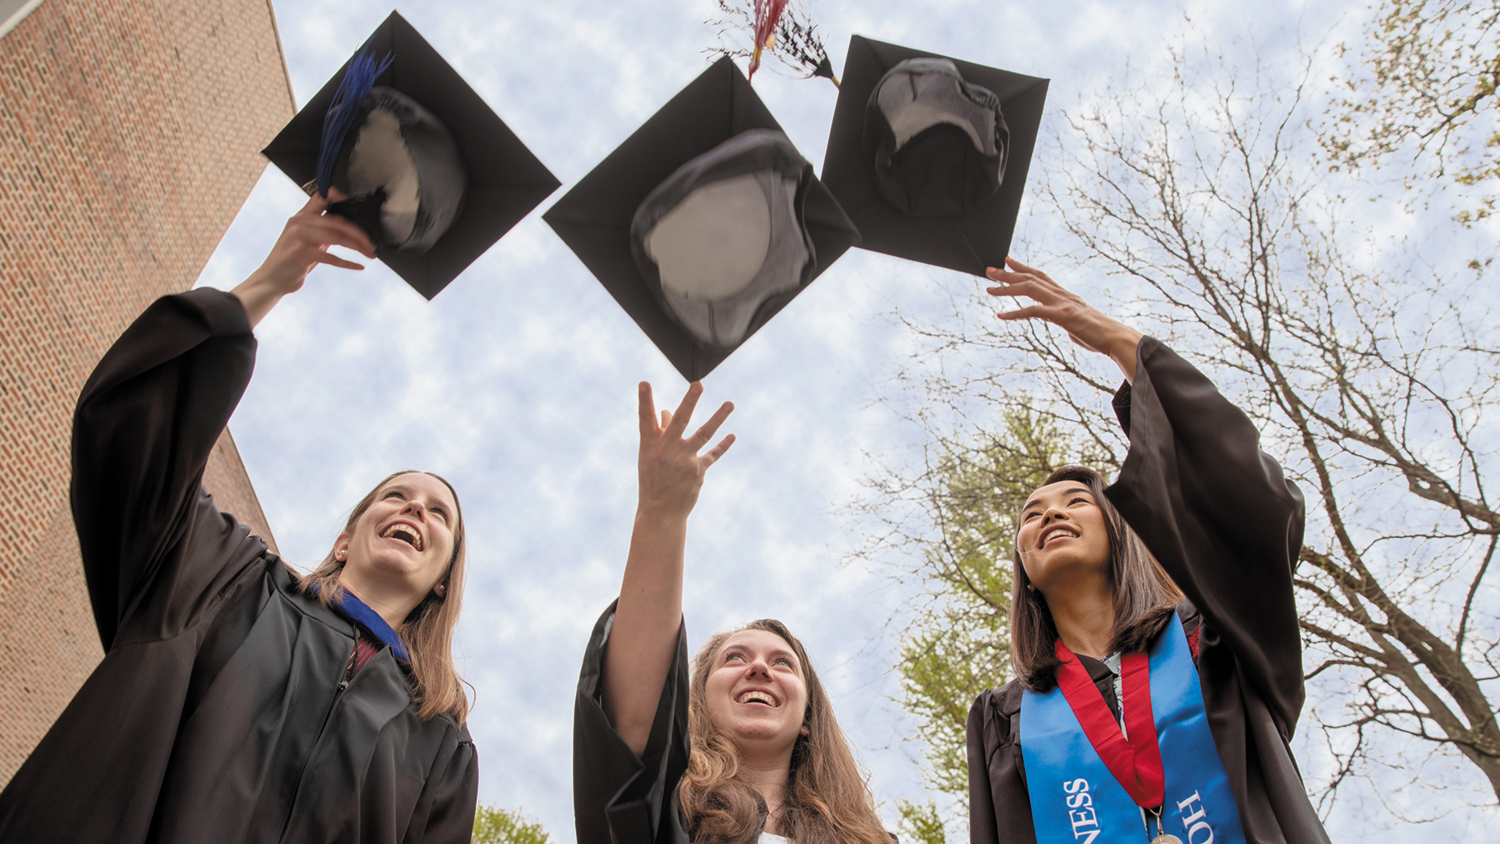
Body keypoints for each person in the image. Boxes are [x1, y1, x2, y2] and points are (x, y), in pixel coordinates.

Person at [0, 195, 479, 843]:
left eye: (438, 513)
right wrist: (266, 283)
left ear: (445, 578)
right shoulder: (225, 583)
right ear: (346, 537)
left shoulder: (440, 750)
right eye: (395, 496)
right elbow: (134, 433)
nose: (415, 507)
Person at [966, 259, 1331, 844]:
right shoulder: (1002, 720)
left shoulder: (1216, 640)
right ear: (1025, 571)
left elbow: (1260, 513)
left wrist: (1123, 345)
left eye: (1074, 503)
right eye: (1032, 515)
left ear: (1120, 535)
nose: (1050, 514)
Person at [573, 383, 892, 844]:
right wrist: (662, 515)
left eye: (783, 663)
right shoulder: (668, 813)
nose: (760, 667)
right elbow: (632, 728)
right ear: (697, 700)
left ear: (807, 717)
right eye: (734, 658)